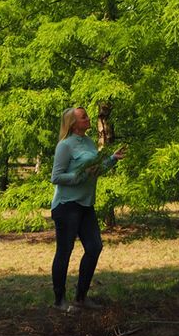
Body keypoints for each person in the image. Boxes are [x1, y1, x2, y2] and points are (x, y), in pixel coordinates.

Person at [50, 106, 126, 312]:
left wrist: (112, 160)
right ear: (73, 124)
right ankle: (60, 301)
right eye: (84, 117)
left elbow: (95, 171)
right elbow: (56, 177)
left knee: (94, 247)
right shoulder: (65, 146)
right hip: (67, 206)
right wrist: (77, 177)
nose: (88, 118)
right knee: (64, 252)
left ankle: (81, 297)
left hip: (85, 204)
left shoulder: (89, 142)